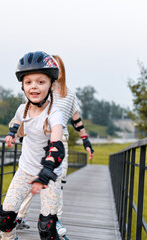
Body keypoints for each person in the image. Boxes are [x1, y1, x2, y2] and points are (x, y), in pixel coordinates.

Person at [15, 55, 95, 237]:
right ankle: (18, 216)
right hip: (36, 141)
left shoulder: (69, 95)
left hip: (59, 144)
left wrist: (86, 141)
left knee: (55, 182)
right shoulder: (40, 90)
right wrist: (20, 134)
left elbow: (77, 122)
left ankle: (55, 220)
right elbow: (25, 114)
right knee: (29, 180)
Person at [0, 51, 65, 240]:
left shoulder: (55, 113)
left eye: (41, 82)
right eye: (28, 82)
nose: (34, 86)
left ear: (51, 84)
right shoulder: (22, 109)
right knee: (4, 219)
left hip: (49, 174)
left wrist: (47, 171)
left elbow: (57, 146)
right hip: (25, 171)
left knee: (47, 227)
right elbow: (17, 121)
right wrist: (12, 133)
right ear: (23, 86)